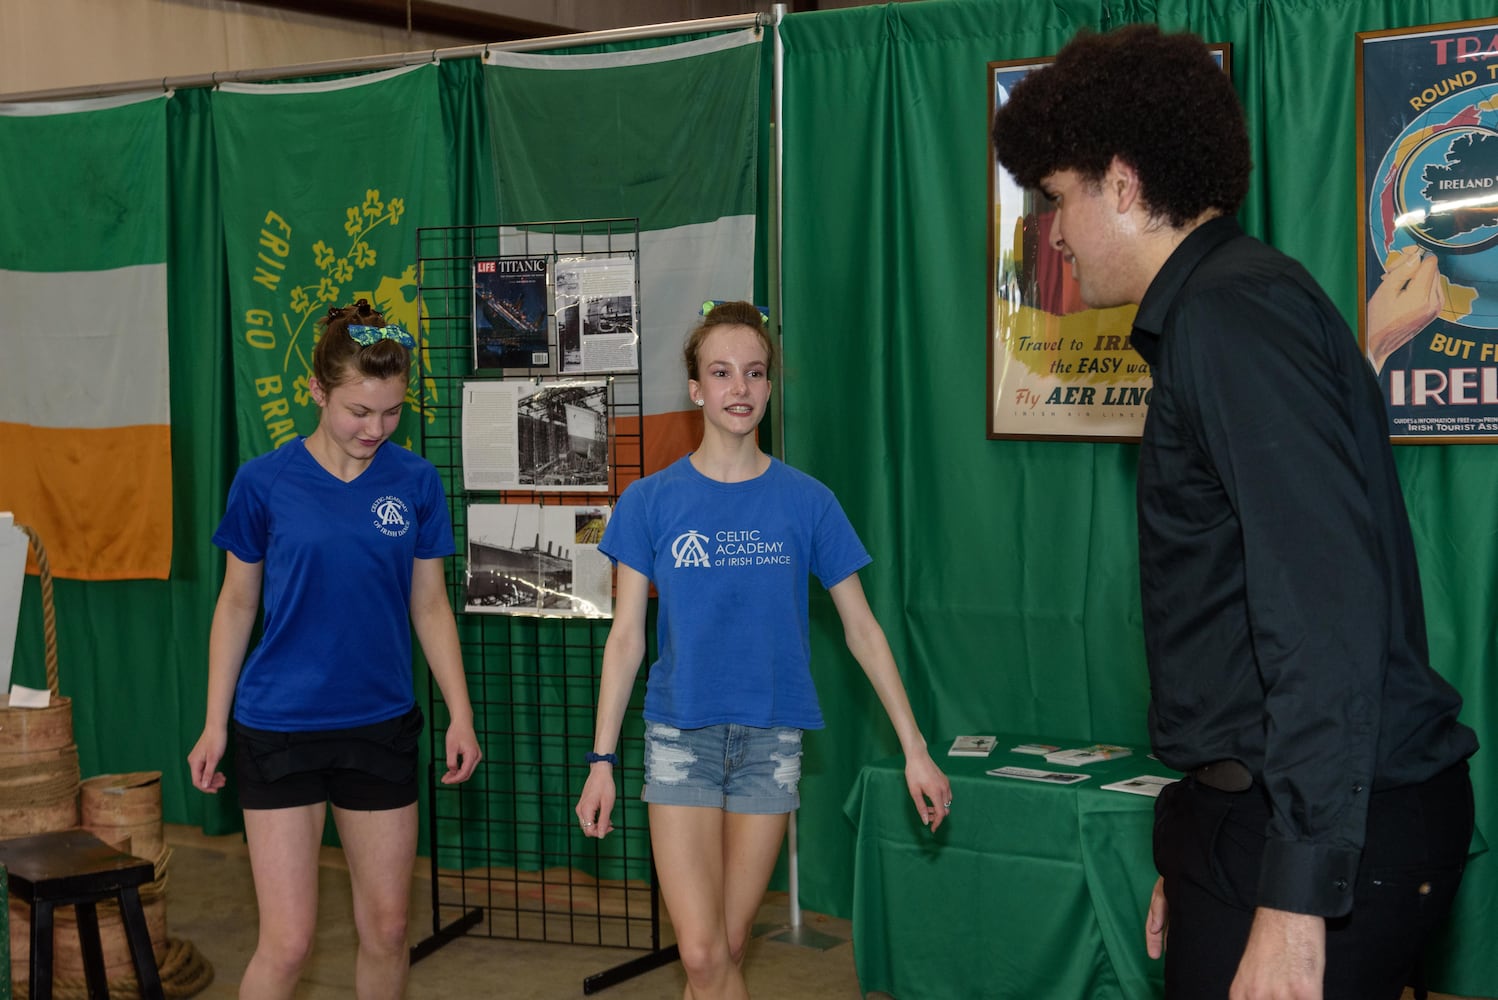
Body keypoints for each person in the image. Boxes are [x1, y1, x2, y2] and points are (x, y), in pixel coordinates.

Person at [991, 25, 1478, 1000]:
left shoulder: (1228, 317)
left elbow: (1321, 611)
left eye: (1055, 199)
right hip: (1266, 820)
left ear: (1121, 185)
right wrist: (1202, 845)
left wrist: (1293, 901)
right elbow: (1239, 626)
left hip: (1329, 832)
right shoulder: (1233, 303)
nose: (1049, 232)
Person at [574, 301, 951, 1000]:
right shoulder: (649, 503)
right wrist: (602, 760)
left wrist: (915, 747)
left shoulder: (808, 502)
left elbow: (863, 630)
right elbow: (625, 640)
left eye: (754, 373)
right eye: (721, 373)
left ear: (771, 386)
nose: (739, 388)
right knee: (701, 954)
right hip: (679, 737)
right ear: (695, 388)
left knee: (728, 948)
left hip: (770, 744)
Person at [187, 299, 481, 1000]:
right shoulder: (264, 482)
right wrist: (213, 722)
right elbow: (235, 604)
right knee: (287, 944)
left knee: (385, 931)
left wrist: (460, 714)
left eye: (390, 413)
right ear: (318, 392)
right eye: (358, 411)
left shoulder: (414, 482)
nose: (375, 429)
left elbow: (430, 604)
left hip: (378, 725)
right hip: (278, 727)